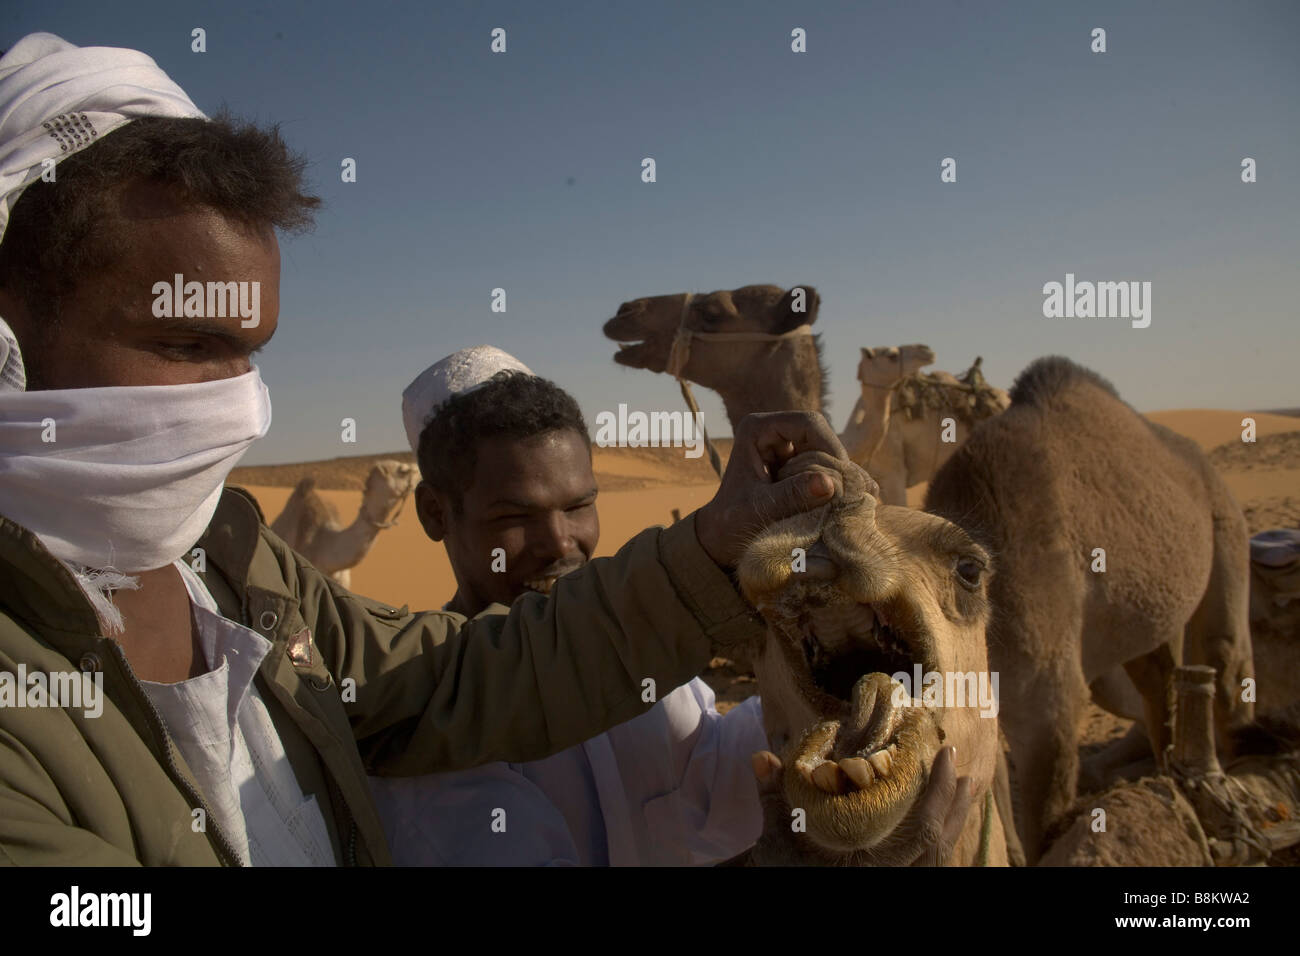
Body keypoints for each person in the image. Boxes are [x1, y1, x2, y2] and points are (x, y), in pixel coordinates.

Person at [0, 33, 969, 866]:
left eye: (251, 354)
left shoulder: (239, 569)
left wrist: (714, 550)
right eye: (183, 345)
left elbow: (461, 679)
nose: (238, 410)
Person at [369, 348, 767, 865]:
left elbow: (713, 778)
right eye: (515, 516)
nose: (560, 543)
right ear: (434, 513)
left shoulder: (632, 653)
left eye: (579, 506)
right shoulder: (436, 727)